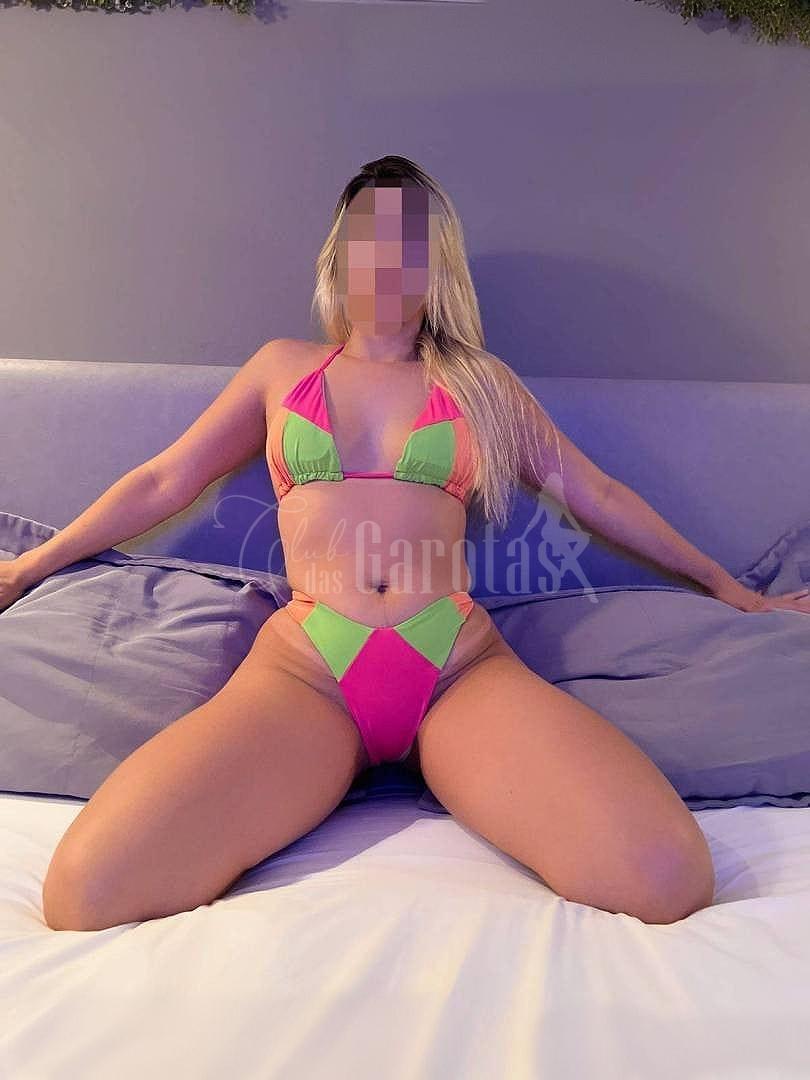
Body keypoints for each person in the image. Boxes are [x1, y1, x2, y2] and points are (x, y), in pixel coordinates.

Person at [11, 152, 771, 931]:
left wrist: (728, 587)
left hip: (455, 671)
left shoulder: (481, 383)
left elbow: (598, 495)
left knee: (666, 876)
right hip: (307, 674)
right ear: (338, 256)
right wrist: (28, 569)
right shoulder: (282, 367)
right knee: (87, 891)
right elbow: (163, 480)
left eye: (408, 241)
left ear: (438, 264)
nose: (384, 259)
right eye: (366, 238)